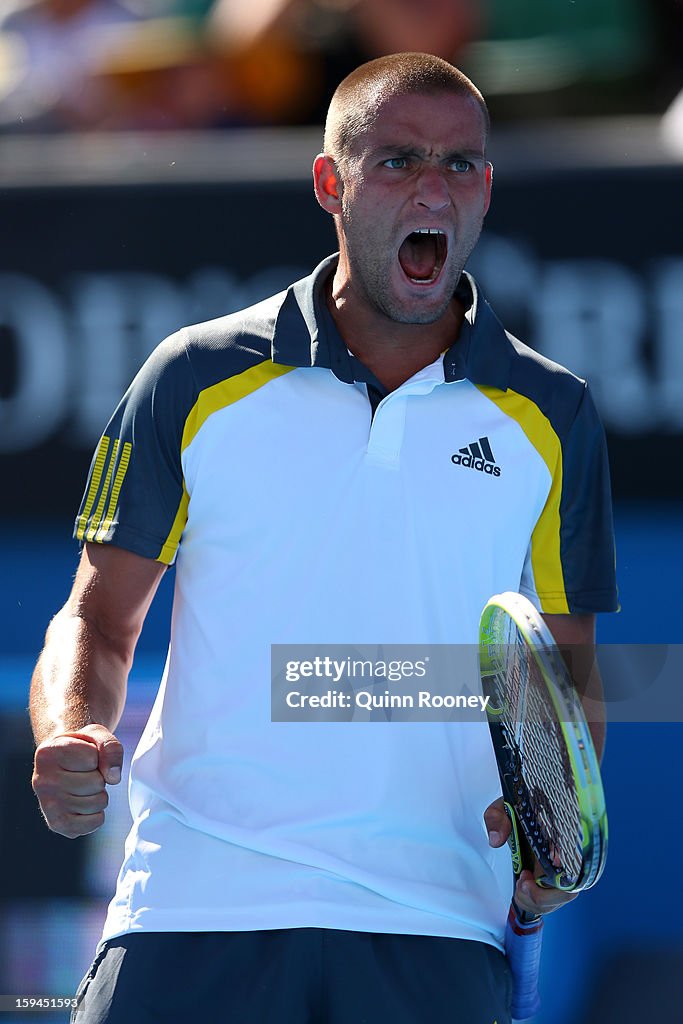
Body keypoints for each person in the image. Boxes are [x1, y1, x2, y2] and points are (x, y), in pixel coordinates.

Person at [30, 52, 618, 1023]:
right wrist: (70, 729)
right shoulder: (191, 376)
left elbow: (565, 672)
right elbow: (95, 618)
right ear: (328, 183)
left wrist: (553, 832)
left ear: (484, 189)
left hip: (436, 922)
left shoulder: (554, 416)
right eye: (395, 161)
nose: (433, 187)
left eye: (459, 165)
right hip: (191, 905)